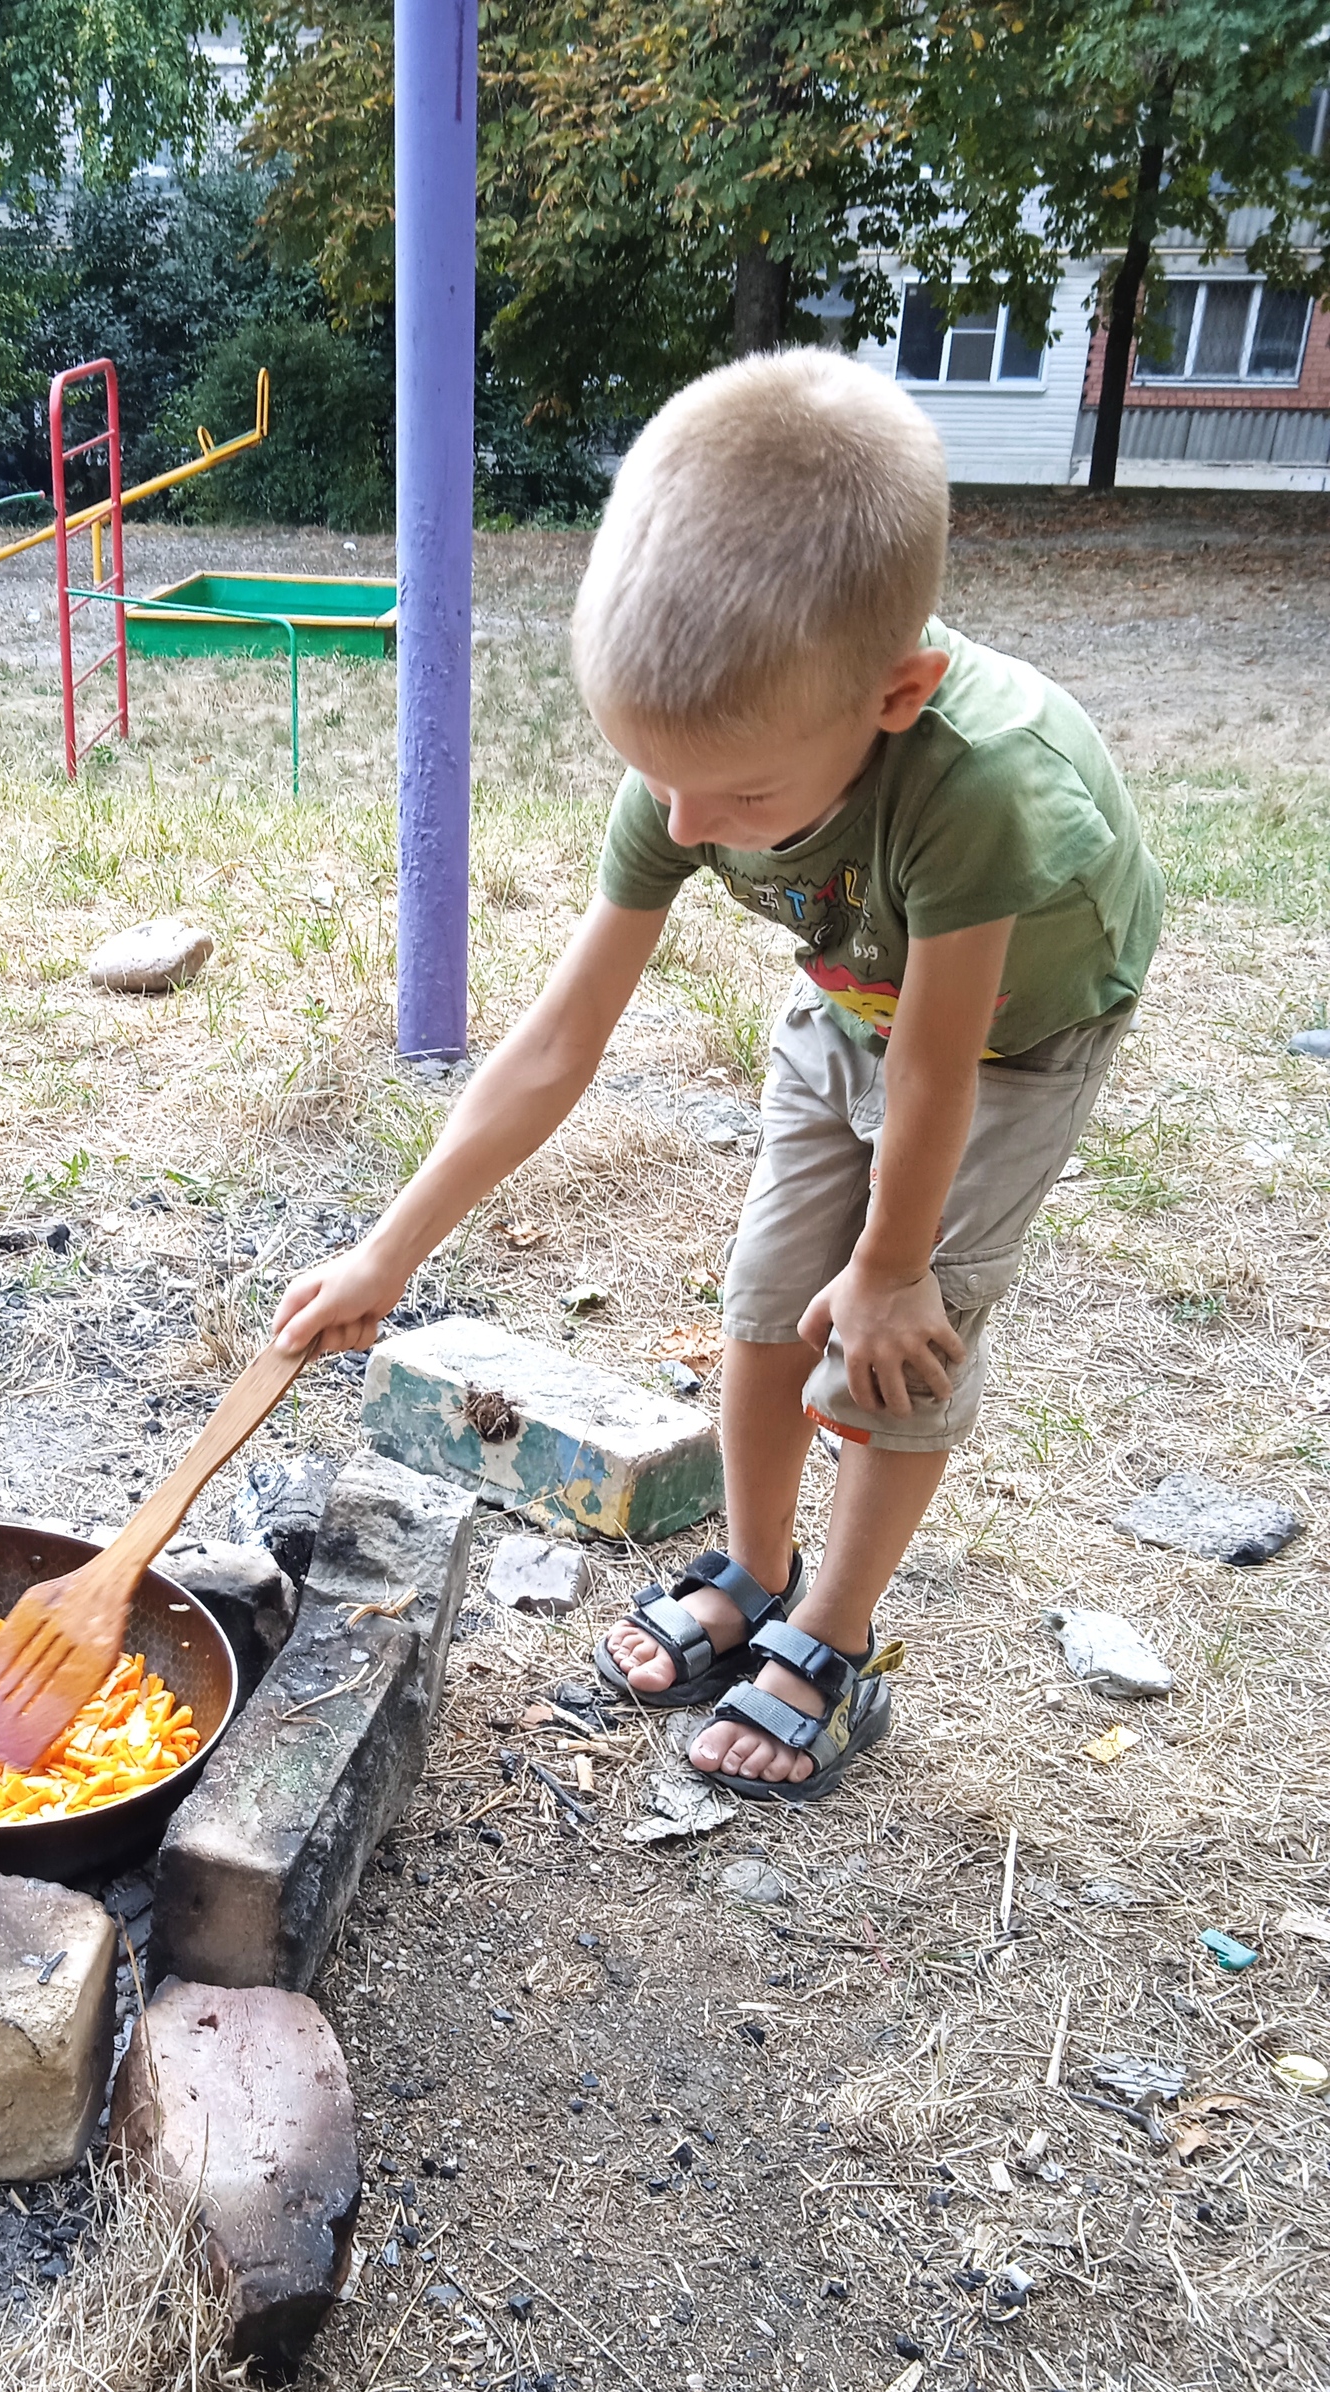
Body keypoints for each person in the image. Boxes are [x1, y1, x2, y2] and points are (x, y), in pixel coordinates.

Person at [272, 348, 1162, 1805]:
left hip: (1008, 1040)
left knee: (888, 1346)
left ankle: (838, 1634)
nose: (692, 824)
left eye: (740, 798)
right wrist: (392, 1247)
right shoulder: (696, 773)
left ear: (899, 692)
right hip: (850, 996)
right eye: (655, 776)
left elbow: (937, 1073)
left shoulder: (982, 788)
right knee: (763, 1306)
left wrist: (889, 1266)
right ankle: (756, 1571)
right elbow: (559, 1041)